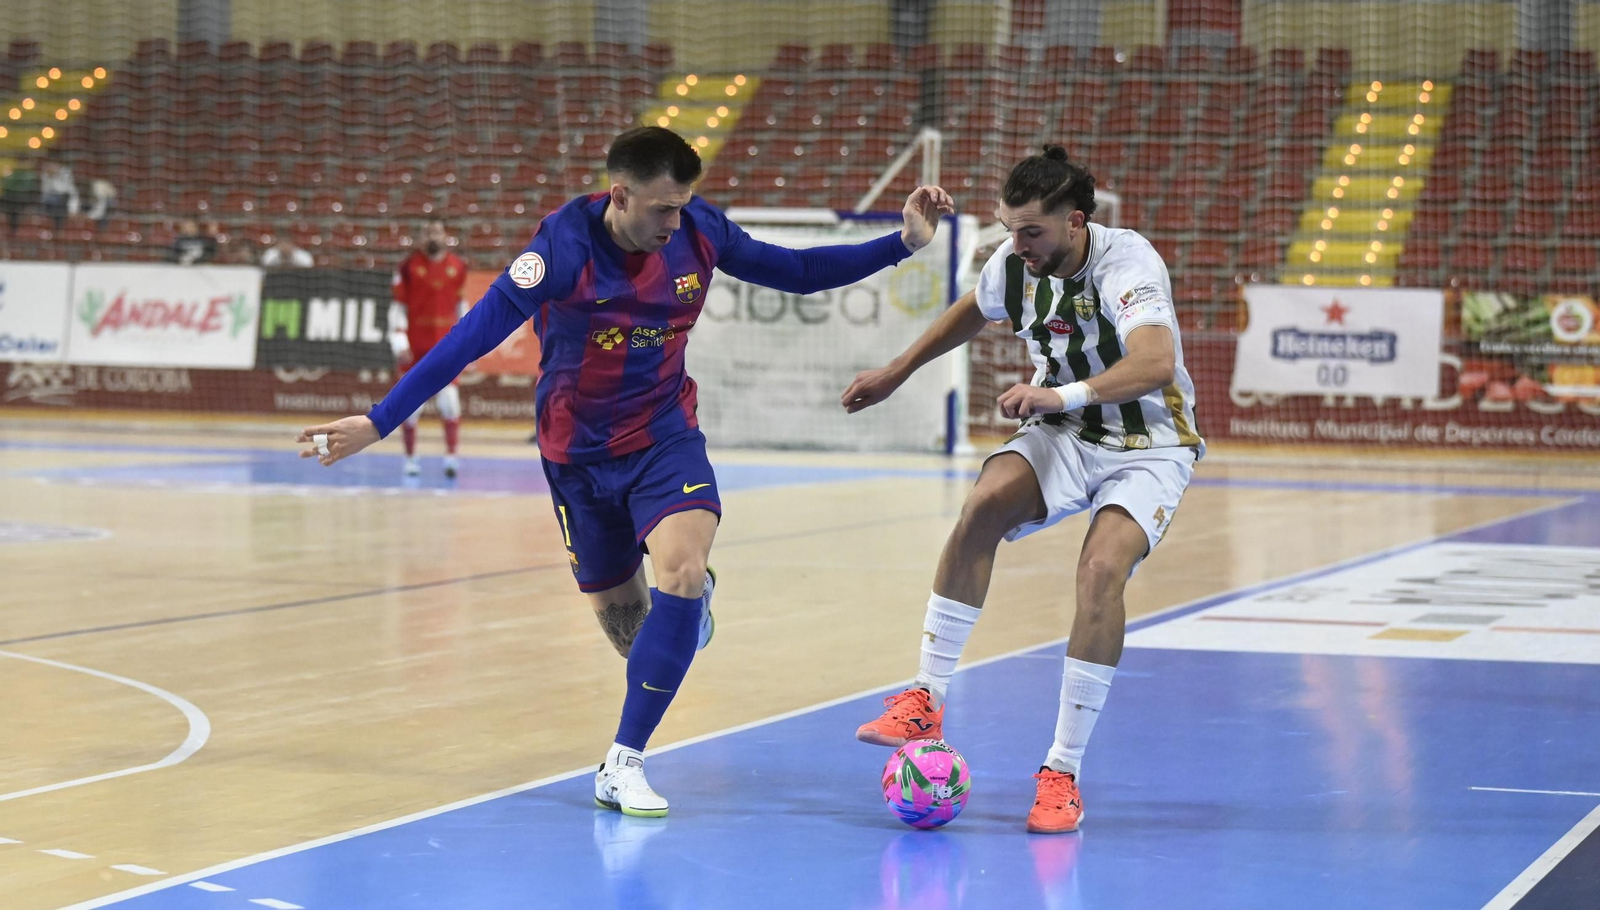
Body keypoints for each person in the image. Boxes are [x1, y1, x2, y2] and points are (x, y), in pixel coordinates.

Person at [298, 126, 954, 816]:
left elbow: (797, 271)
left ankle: (622, 762)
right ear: (619, 196)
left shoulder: (699, 231)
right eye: (662, 209)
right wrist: (380, 420)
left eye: (682, 207)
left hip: (664, 438)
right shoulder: (561, 248)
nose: (675, 223)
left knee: (682, 572)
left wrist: (903, 243)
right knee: (634, 637)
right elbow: (470, 337)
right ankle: (685, 617)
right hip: (576, 458)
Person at [842, 146, 1202, 834]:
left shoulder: (1128, 262)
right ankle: (925, 697)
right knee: (983, 503)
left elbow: (1156, 363)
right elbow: (974, 309)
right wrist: (898, 370)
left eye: (1031, 231)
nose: (1017, 244)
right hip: (1065, 429)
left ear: (1075, 222)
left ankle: (1061, 772)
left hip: (1149, 445)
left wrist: (1056, 394)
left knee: (1100, 571)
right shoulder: (1015, 264)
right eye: (1010, 229)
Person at [388, 220, 470, 477]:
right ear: (420, 238)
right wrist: (399, 338)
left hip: (445, 349)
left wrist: (467, 340)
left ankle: (451, 457)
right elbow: (398, 307)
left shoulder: (458, 266)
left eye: (436, 232)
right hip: (415, 349)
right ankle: (410, 459)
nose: (432, 236)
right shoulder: (408, 266)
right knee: (410, 408)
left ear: (445, 236)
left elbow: (460, 305)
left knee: (450, 403)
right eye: (427, 233)